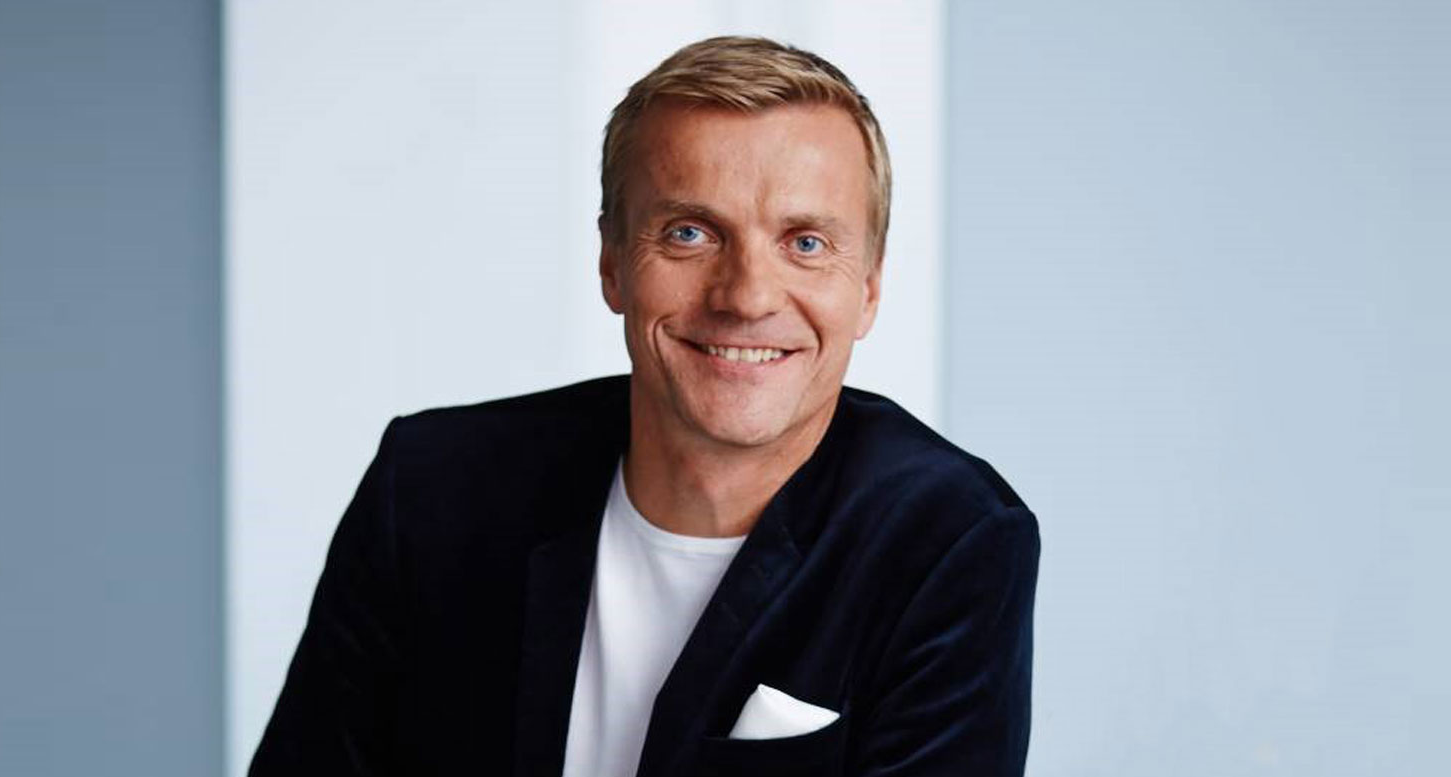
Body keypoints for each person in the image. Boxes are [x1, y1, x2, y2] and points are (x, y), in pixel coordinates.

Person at [250, 36, 1039, 777]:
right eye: (691, 233)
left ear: (867, 287)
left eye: (805, 243)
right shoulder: (431, 490)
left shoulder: (949, 540)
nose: (746, 297)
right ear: (613, 262)